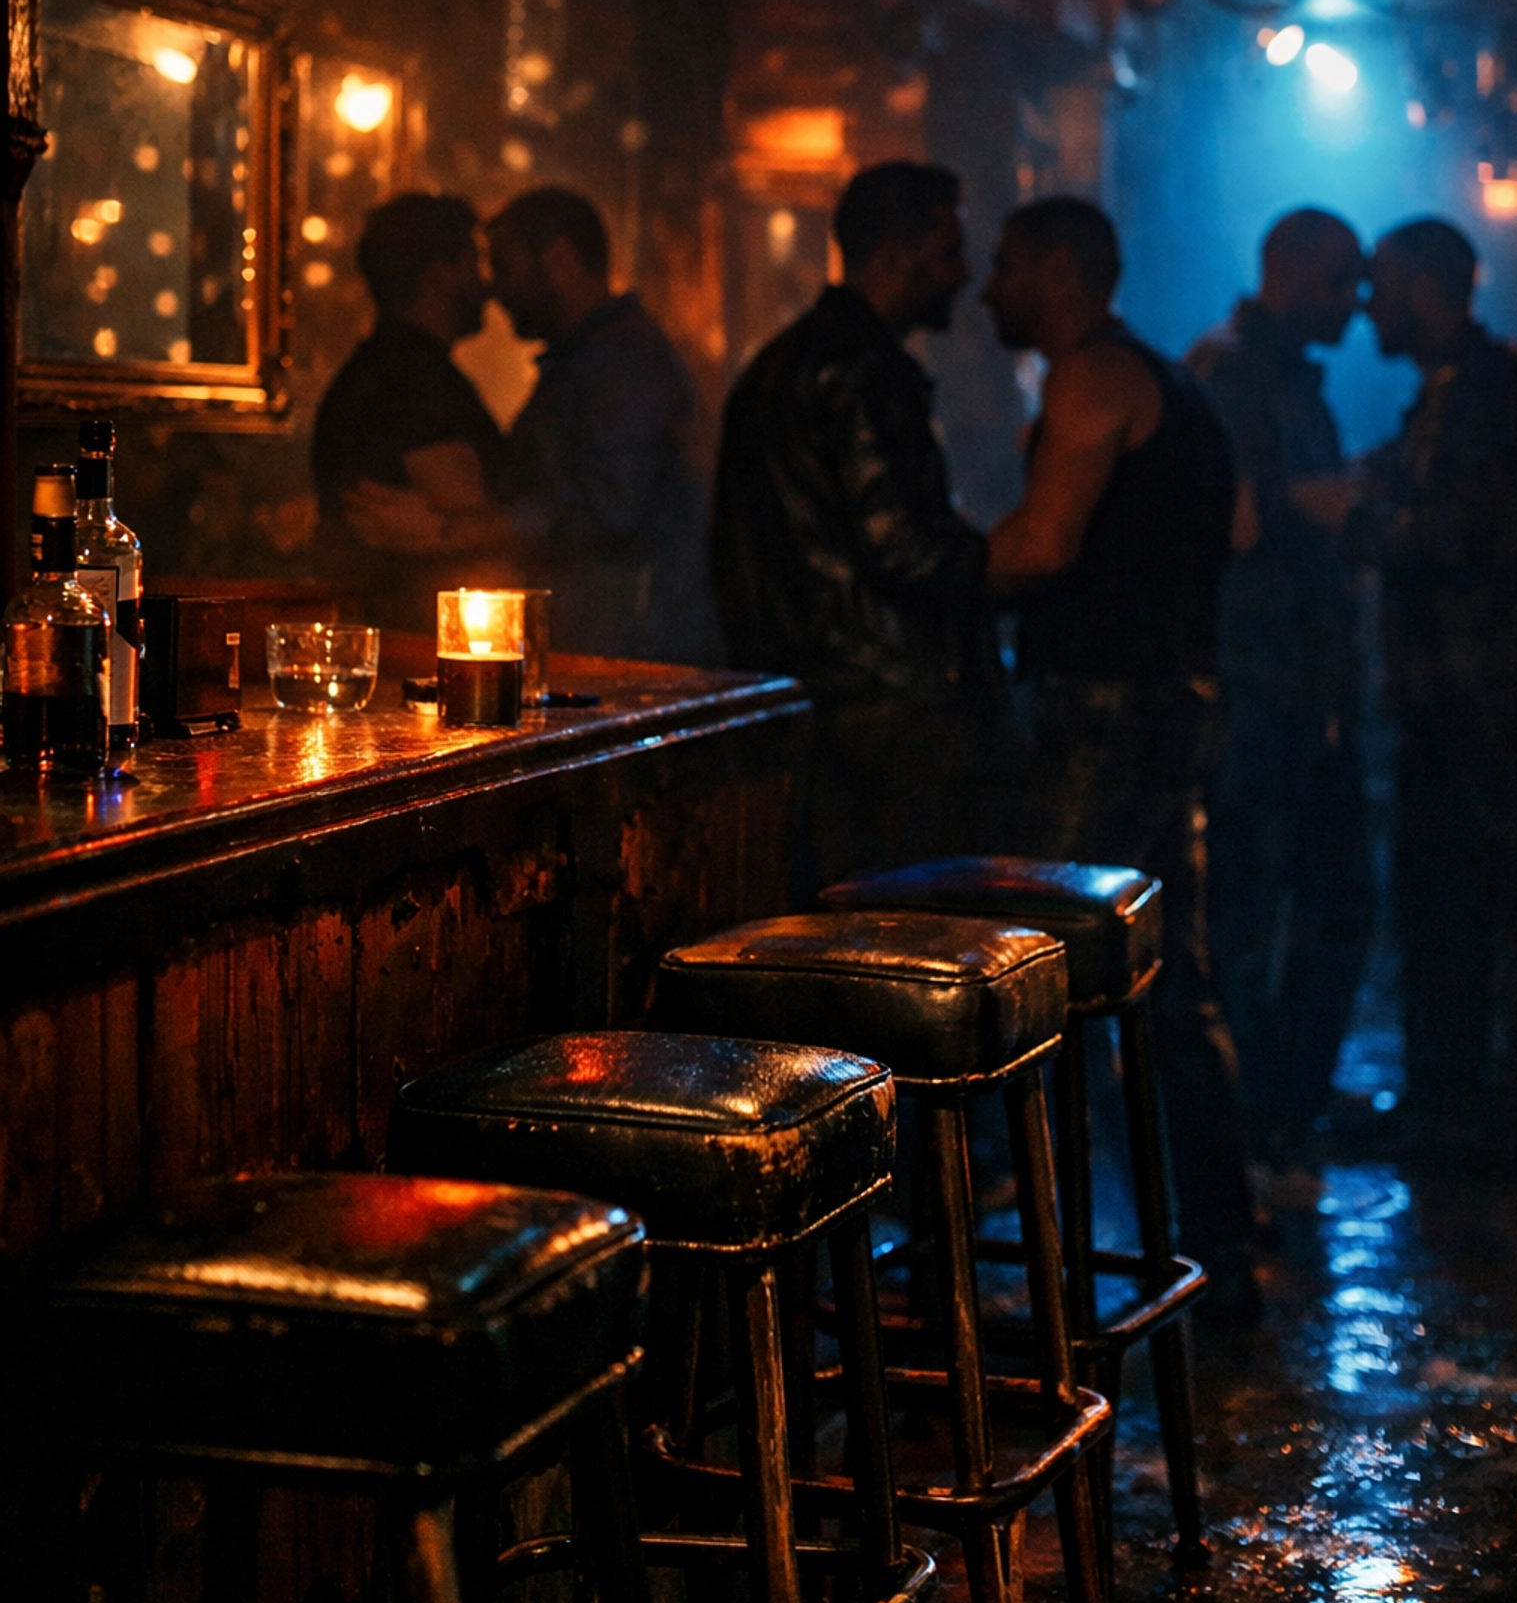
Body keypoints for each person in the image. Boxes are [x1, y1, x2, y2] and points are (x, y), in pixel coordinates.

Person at [984, 196, 1258, 1319]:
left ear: (1057, 270)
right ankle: (1222, 1248)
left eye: (1004, 264)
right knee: (1173, 981)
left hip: (1108, 710)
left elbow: (1041, 546)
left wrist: (918, 564)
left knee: (1043, 966)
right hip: (1177, 704)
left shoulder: (1092, 377)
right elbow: (1236, 534)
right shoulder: (1172, 382)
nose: (989, 286)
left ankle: (1055, 1265)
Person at [712, 160, 1018, 893]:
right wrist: (1011, 563)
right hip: (893, 712)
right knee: (911, 935)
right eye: (950, 252)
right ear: (898, 253)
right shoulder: (866, 370)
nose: (963, 274)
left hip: (811, 696)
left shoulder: (776, 367)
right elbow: (901, 546)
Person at [1187, 209, 1373, 1165]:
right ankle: (1255, 1113)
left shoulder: (1276, 377)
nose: (1357, 302)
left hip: (1296, 689)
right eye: (1342, 280)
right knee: (1254, 914)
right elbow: (1242, 523)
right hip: (1259, 689)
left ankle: (1277, 1103)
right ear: (1291, 272)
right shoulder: (1234, 373)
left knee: (1324, 901)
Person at [347, 186, 717, 665]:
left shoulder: (621, 361)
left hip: (629, 652)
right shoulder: (594, 361)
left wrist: (447, 531)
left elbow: (606, 507)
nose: (495, 289)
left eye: (505, 266)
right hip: (609, 648)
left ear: (559, 260)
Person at [1362, 217, 1517, 1151]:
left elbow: (1455, 536)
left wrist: (1353, 520)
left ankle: (1466, 1117)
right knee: (1453, 910)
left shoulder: (1484, 397)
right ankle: (1459, 1108)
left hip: (1479, 706)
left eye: (1382, 286)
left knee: (1463, 910)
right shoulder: (1465, 392)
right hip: (1466, 702)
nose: (1366, 306)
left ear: (1431, 289)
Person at [311, 191, 500, 631]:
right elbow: (468, 515)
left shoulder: (382, 372)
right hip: (426, 642)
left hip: (399, 638)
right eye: (473, 261)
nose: (487, 283)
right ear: (439, 275)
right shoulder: (413, 380)